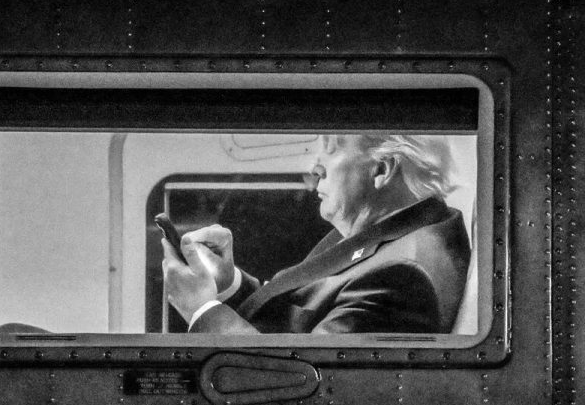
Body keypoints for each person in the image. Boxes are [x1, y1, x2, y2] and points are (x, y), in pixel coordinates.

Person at [161, 134, 471, 334]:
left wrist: (201, 310)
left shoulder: (403, 278)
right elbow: (301, 321)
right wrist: (228, 284)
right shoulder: (386, 232)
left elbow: (295, 382)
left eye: (332, 149)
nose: (314, 168)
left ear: (382, 170)